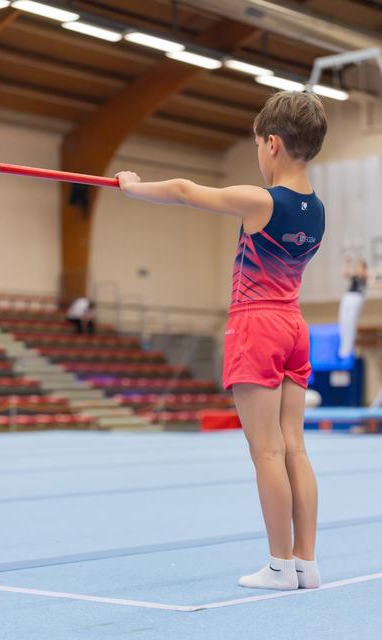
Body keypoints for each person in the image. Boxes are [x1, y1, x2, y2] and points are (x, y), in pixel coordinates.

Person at [115, 90, 326, 592]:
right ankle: (306, 563)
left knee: (267, 452)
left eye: (257, 144)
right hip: (295, 326)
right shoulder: (317, 210)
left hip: (256, 324)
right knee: (294, 447)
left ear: (271, 144)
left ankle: (278, 566)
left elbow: (187, 191)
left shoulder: (261, 201)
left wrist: (133, 187)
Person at [338, 255, 368, 358]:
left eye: (359, 266)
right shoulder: (356, 275)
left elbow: (360, 274)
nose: (357, 268)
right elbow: (345, 273)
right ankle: (343, 348)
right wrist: (347, 263)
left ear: (363, 267)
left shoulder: (364, 274)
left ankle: (348, 349)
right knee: (343, 321)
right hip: (348, 297)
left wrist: (356, 269)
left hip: (356, 298)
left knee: (350, 323)